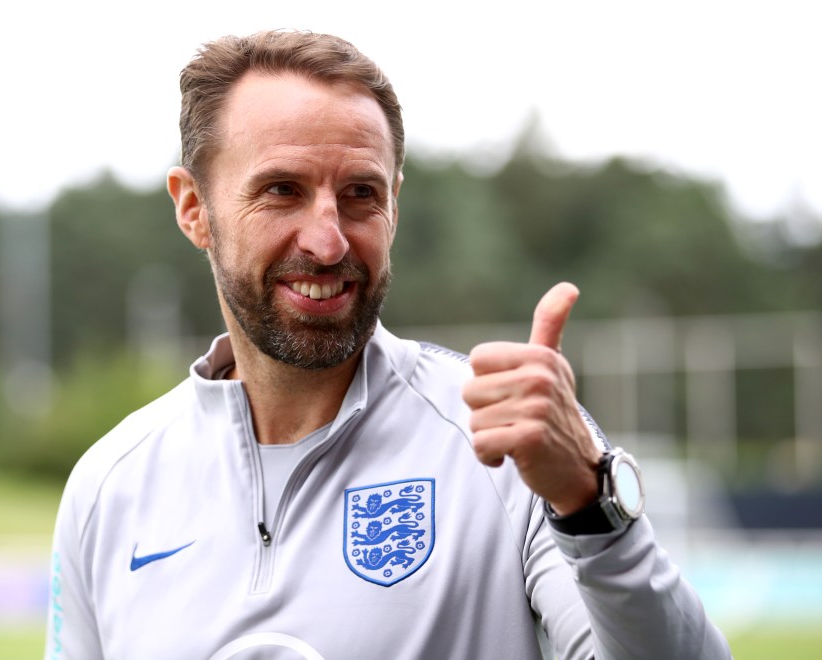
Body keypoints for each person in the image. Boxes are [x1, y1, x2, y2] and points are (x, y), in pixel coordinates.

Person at [45, 30, 731, 659]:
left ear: (395, 205)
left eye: (360, 194)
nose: (328, 239)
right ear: (194, 209)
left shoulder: (506, 450)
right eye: (282, 191)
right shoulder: (111, 488)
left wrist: (592, 512)